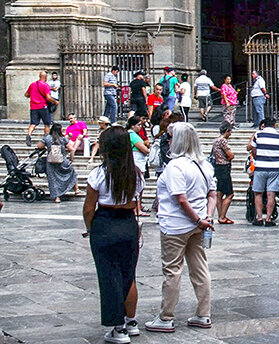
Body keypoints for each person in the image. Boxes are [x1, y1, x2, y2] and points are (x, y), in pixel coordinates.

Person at [144, 123, 215, 333]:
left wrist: (197, 220)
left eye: (170, 137)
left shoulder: (176, 166)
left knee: (172, 270)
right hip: (199, 224)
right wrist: (206, 218)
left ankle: (166, 316)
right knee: (200, 268)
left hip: (176, 226)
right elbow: (212, 195)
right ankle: (203, 314)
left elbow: (181, 200)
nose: (168, 140)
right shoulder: (204, 165)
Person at [83, 126, 144, 344]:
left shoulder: (98, 173)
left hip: (105, 223)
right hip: (128, 224)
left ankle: (118, 328)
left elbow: (89, 207)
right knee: (129, 275)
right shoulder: (135, 173)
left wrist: (90, 228)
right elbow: (137, 202)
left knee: (109, 276)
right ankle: (131, 321)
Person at [248, 116, 279, 226]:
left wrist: (258, 158)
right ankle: (269, 218)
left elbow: (253, 150)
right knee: (271, 194)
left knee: (258, 193)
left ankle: (259, 218)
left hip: (260, 167)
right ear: (274, 125)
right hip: (274, 167)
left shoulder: (257, 135)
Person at [40, 122, 79, 203]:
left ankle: (57, 198)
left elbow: (39, 146)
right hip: (62, 160)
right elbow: (72, 149)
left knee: (53, 179)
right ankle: (76, 189)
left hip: (51, 161)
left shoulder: (47, 138)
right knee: (72, 173)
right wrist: (71, 159)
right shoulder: (63, 139)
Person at [210, 122, 236, 224]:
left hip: (218, 167)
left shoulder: (216, 141)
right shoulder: (223, 141)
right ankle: (222, 216)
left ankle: (221, 215)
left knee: (219, 193)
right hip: (224, 167)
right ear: (227, 131)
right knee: (230, 194)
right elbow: (230, 155)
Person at [25, 71, 53, 146]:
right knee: (47, 124)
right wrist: (55, 101)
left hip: (33, 107)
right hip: (43, 106)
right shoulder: (46, 85)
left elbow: (26, 94)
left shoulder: (32, 84)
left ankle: (29, 135)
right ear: (45, 77)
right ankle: (46, 138)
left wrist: (33, 96)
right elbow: (48, 97)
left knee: (33, 123)